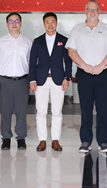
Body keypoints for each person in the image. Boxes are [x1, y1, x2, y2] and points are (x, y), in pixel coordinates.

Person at [67, 0, 107, 154]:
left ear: (99, 11)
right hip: (84, 74)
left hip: (103, 74)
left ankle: (103, 142)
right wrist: (85, 66)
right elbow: (71, 51)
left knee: (103, 109)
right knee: (85, 109)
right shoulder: (77, 29)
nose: (92, 12)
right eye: (89, 9)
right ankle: (86, 141)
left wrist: (101, 66)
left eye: (95, 9)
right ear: (85, 11)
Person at [29, 12, 72, 152]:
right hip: (40, 80)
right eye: (47, 22)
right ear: (43, 24)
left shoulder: (64, 40)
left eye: (52, 22)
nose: (50, 24)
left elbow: (68, 61)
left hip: (58, 80)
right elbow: (32, 62)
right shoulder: (37, 41)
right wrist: (32, 79)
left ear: (56, 23)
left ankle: (55, 140)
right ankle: (42, 140)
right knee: (41, 111)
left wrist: (67, 78)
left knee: (57, 111)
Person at [0, 12, 32, 150]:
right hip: (5, 81)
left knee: (22, 111)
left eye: (17, 21)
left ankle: (21, 138)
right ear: (7, 24)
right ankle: (6, 138)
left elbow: (32, 63)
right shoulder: (0, 41)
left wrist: (31, 81)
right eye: (11, 21)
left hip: (22, 81)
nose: (14, 24)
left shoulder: (28, 42)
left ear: (21, 23)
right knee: (5, 111)